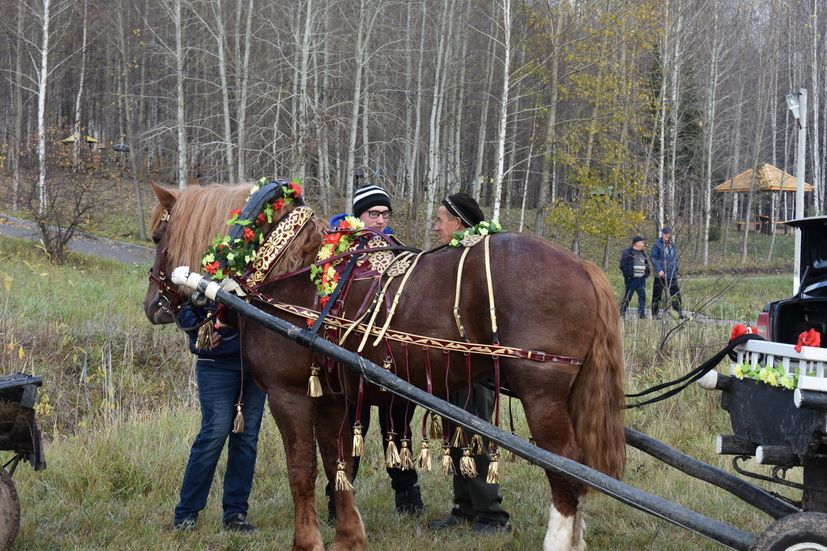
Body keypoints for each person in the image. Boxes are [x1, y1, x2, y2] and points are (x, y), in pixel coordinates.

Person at [325, 184, 424, 522]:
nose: (381, 220)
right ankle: (337, 498)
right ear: (358, 216)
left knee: (398, 428)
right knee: (352, 428)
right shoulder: (338, 249)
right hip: (349, 358)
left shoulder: (399, 249)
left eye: (385, 214)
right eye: (373, 214)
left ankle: (407, 494)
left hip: (393, 357)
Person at [428, 192, 511, 535]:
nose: (436, 227)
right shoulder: (458, 255)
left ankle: (491, 516)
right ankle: (464, 508)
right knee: (456, 435)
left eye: (440, 220)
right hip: (453, 362)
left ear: (459, 223)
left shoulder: (479, 258)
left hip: (476, 364)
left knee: (476, 435)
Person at [172, 302, 267, 532]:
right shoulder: (209, 268)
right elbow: (183, 305)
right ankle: (186, 513)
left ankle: (235, 514)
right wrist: (199, 334)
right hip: (216, 364)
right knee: (214, 434)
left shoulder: (265, 269)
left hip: (257, 366)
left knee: (246, 439)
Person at [651, 226, 685, 319]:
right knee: (657, 295)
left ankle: (678, 313)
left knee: (676, 294)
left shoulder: (672, 244)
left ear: (670, 234)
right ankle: (654, 314)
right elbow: (654, 258)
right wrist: (659, 270)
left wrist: (676, 268)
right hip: (660, 275)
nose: (666, 235)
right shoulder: (657, 244)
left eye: (668, 233)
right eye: (665, 233)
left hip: (672, 274)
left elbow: (675, 258)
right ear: (662, 234)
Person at [619, 235, 650, 319]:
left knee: (642, 296)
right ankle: (622, 312)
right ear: (637, 243)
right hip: (631, 279)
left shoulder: (642, 252)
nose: (644, 243)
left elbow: (646, 264)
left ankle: (641, 314)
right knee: (628, 296)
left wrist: (646, 273)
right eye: (642, 242)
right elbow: (622, 265)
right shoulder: (628, 252)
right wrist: (628, 276)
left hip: (641, 279)